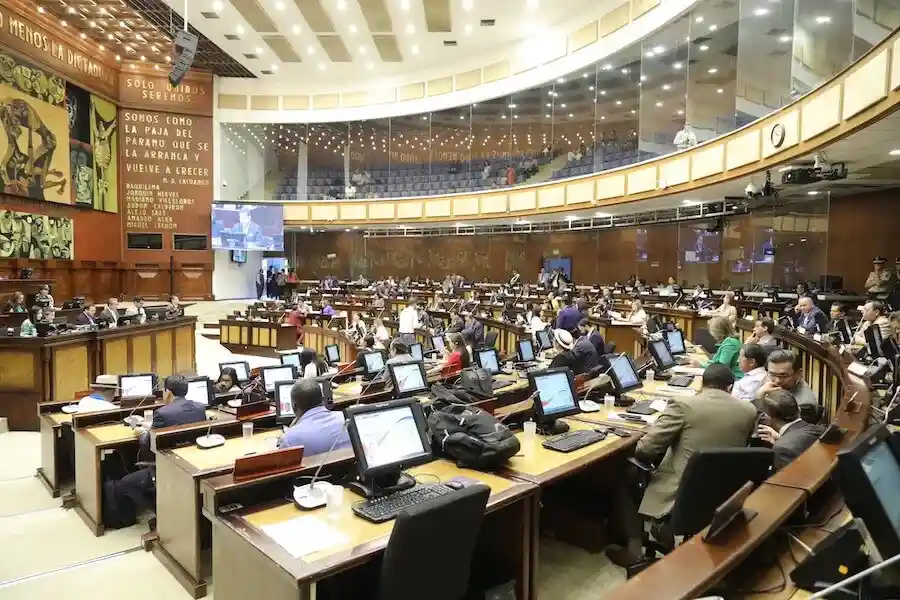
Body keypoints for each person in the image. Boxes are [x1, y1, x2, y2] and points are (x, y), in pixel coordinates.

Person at [606, 364, 756, 567]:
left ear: (703, 384)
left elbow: (645, 451)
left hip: (679, 492)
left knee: (624, 476)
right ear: (730, 388)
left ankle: (634, 551)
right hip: (724, 492)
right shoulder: (749, 410)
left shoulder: (683, 405)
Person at [757, 389, 825, 470]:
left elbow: (786, 481)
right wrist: (781, 439)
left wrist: (781, 442)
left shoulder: (782, 448)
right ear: (799, 410)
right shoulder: (821, 430)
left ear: (768, 418)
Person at [277, 380, 350, 454]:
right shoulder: (348, 419)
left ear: (294, 406)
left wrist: (290, 430)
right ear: (323, 399)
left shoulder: (288, 439)